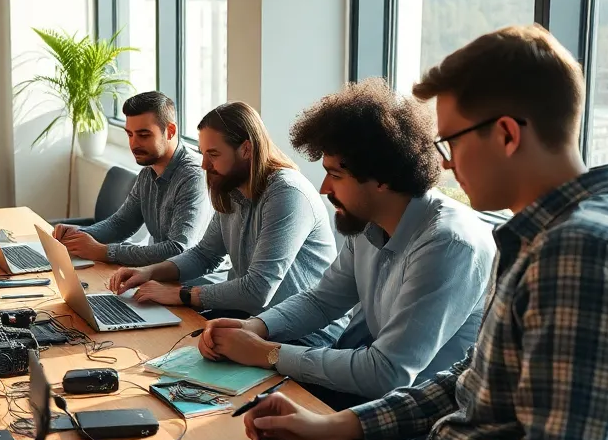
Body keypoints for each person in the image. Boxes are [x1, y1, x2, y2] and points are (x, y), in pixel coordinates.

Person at [233, 25, 608, 440]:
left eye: (451, 142)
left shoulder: (580, 255)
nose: (443, 164)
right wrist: (338, 426)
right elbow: (468, 382)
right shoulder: (543, 237)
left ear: (508, 135)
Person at [197, 79, 495, 409]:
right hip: (368, 397)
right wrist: (256, 327)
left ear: (381, 178)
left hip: (413, 420)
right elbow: (322, 301)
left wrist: (265, 352)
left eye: (335, 175)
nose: (324, 188)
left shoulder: (447, 244)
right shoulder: (368, 221)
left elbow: (387, 373)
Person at [109, 101, 337, 319]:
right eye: (203, 153)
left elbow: (257, 291)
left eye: (214, 154)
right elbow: (204, 255)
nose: (205, 165)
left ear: (246, 149)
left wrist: (182, 294)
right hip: (249, 320)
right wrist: (148, 272)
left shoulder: (286, 193)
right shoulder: (232, 186)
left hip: (301, 336)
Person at [52, 91, 210, 266]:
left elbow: (178, 249)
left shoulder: (192, 178)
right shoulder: (147, 173)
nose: (134, 144)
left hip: (186, 284)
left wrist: (104, 252)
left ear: (170, 131)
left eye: (143, 135)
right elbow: (121, 224)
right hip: (152, 275)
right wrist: (80, 234)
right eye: (129, 134)